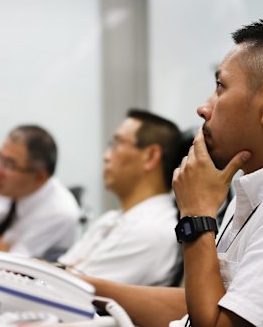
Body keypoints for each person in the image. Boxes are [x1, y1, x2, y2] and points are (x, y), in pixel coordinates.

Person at [79, 17, 263, 327]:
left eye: (220, 87)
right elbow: (208, 305)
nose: (204, 108)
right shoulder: (262, 192)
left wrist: (197, 216)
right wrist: (83, 286)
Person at [57, 109, 183, 287]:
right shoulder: (112, 219)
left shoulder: (150, 231)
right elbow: (60, 271)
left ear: (150, 156)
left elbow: (67, 288)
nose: (105, 156)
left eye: (116, 144)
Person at [0, 125, 80, 260]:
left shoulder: (60, 213)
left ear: (40, 177)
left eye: (9, 165)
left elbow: (12, 266)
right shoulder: (6, 187)